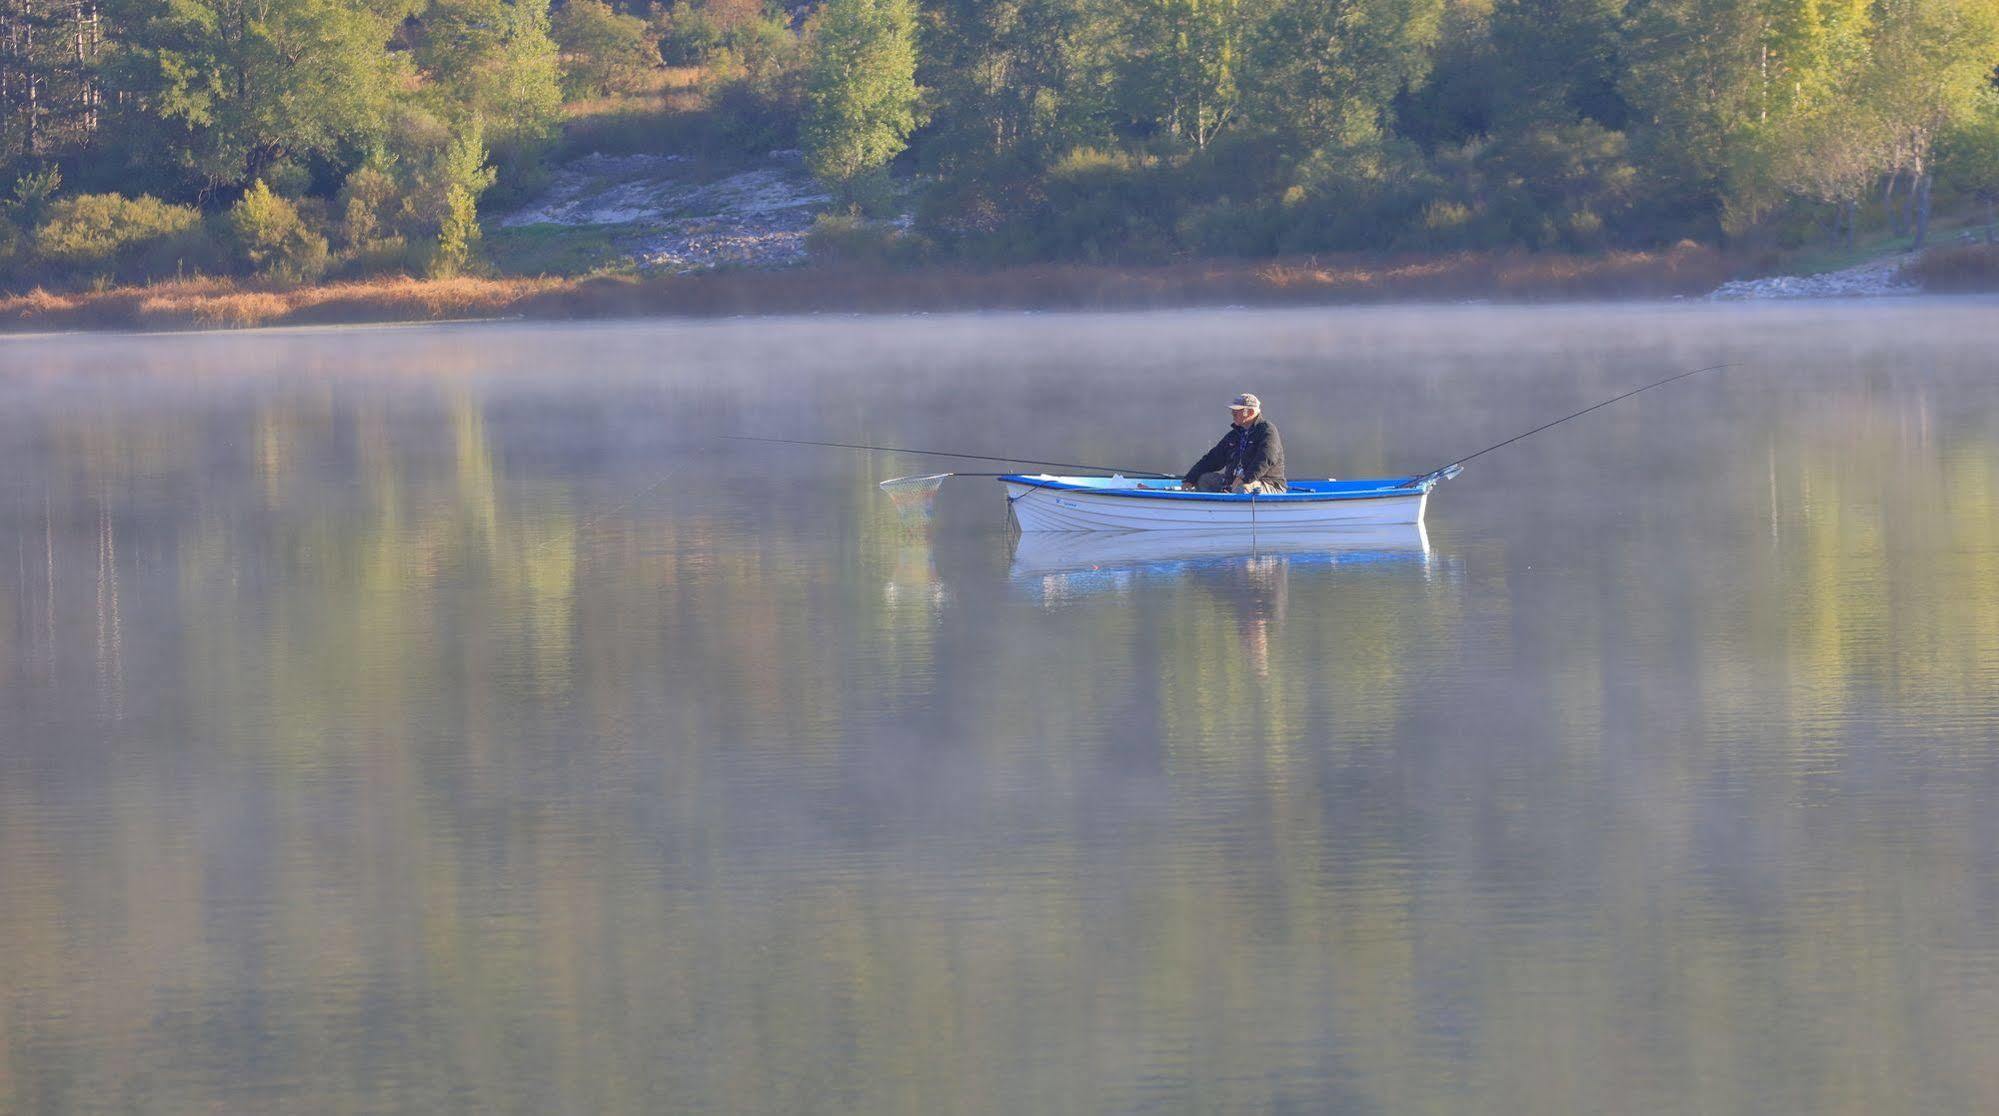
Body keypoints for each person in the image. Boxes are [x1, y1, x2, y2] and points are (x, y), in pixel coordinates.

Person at [1184, 393, 1286, 493]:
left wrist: (1245, 478)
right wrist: (1190, 479)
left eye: (1237, 410)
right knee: (1204, 480)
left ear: (1250, 412)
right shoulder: (1234, 435)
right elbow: (1213, 458)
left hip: (1267, 484)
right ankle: (1220, 504)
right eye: (1233, 410)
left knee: (1244, 488)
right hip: (1234, 483)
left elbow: (1266, 459)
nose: (1232, 413)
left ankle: (1231, 501)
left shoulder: (1267, 430)